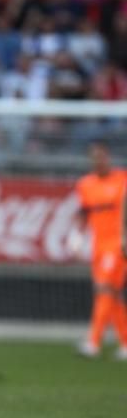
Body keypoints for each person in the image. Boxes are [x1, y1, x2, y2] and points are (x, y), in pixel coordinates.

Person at [74, 142, 127, 360]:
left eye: (102, 156)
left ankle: (93, 342)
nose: (99, 161)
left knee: (103, 288)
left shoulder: (122, 180)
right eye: (94, 157)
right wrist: (78, 236)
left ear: (109, 157)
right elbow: (84, 212)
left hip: (118, 243)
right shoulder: (85, 184)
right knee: (110, 293)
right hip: (98, 244)